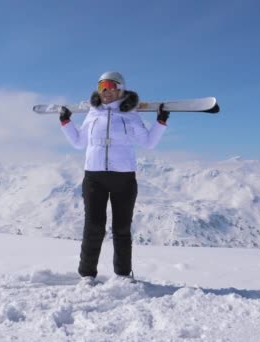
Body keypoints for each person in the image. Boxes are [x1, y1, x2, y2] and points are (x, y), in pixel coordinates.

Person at [59, 71, 170, 283]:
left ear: (120, 88)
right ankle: (87, 274)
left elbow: (148, 142)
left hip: (123, 178)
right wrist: (66, 123)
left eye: (109, 86)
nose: (105, 91)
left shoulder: (130, 114)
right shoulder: (93, 113)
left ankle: (122, 274)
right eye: (101, 87)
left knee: (121, 228)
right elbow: (79, 143)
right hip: (94, 176)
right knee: (93, 226)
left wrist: (161, 122)